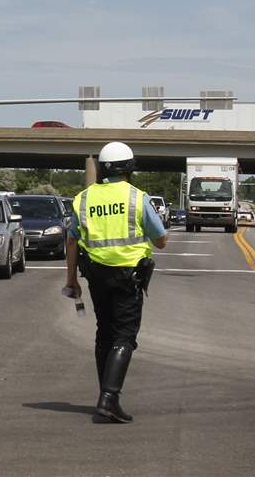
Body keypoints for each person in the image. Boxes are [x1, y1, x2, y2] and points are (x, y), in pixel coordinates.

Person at [63, 141, 168, 423]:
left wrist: (71, 279)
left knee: (105, 333)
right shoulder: (137, 197)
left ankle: (105, 395)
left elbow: (72, 240)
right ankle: (109, 398)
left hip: (96, 275)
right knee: (124, 336)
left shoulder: (84, 198)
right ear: (130, 168)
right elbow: (161, 241)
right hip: (127, 276)